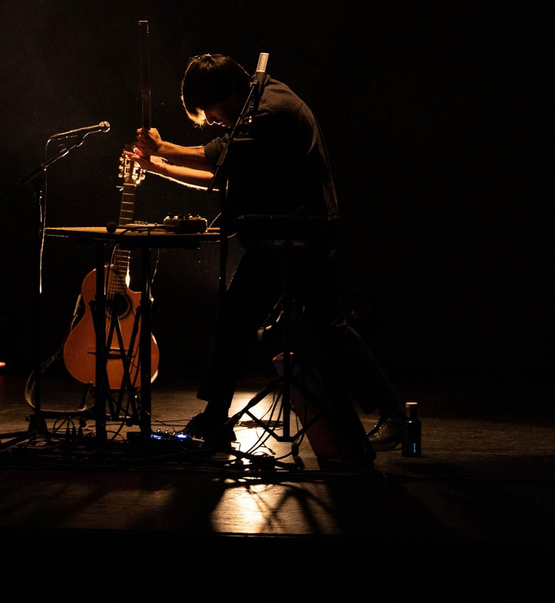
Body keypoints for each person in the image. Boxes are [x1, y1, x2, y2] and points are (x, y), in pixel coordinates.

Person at [131, 54, 403, 458]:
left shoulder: (270, 110)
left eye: (211, 110)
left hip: (305, 240)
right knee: (236, 320)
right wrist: (156, 165)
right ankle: (215, 419)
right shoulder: (251, 109)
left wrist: (163, 148)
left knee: (327, 328)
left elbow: (216, 155)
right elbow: (221, 173)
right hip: (277, 240)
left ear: (228, 93)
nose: (214, 119)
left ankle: (395, 413)